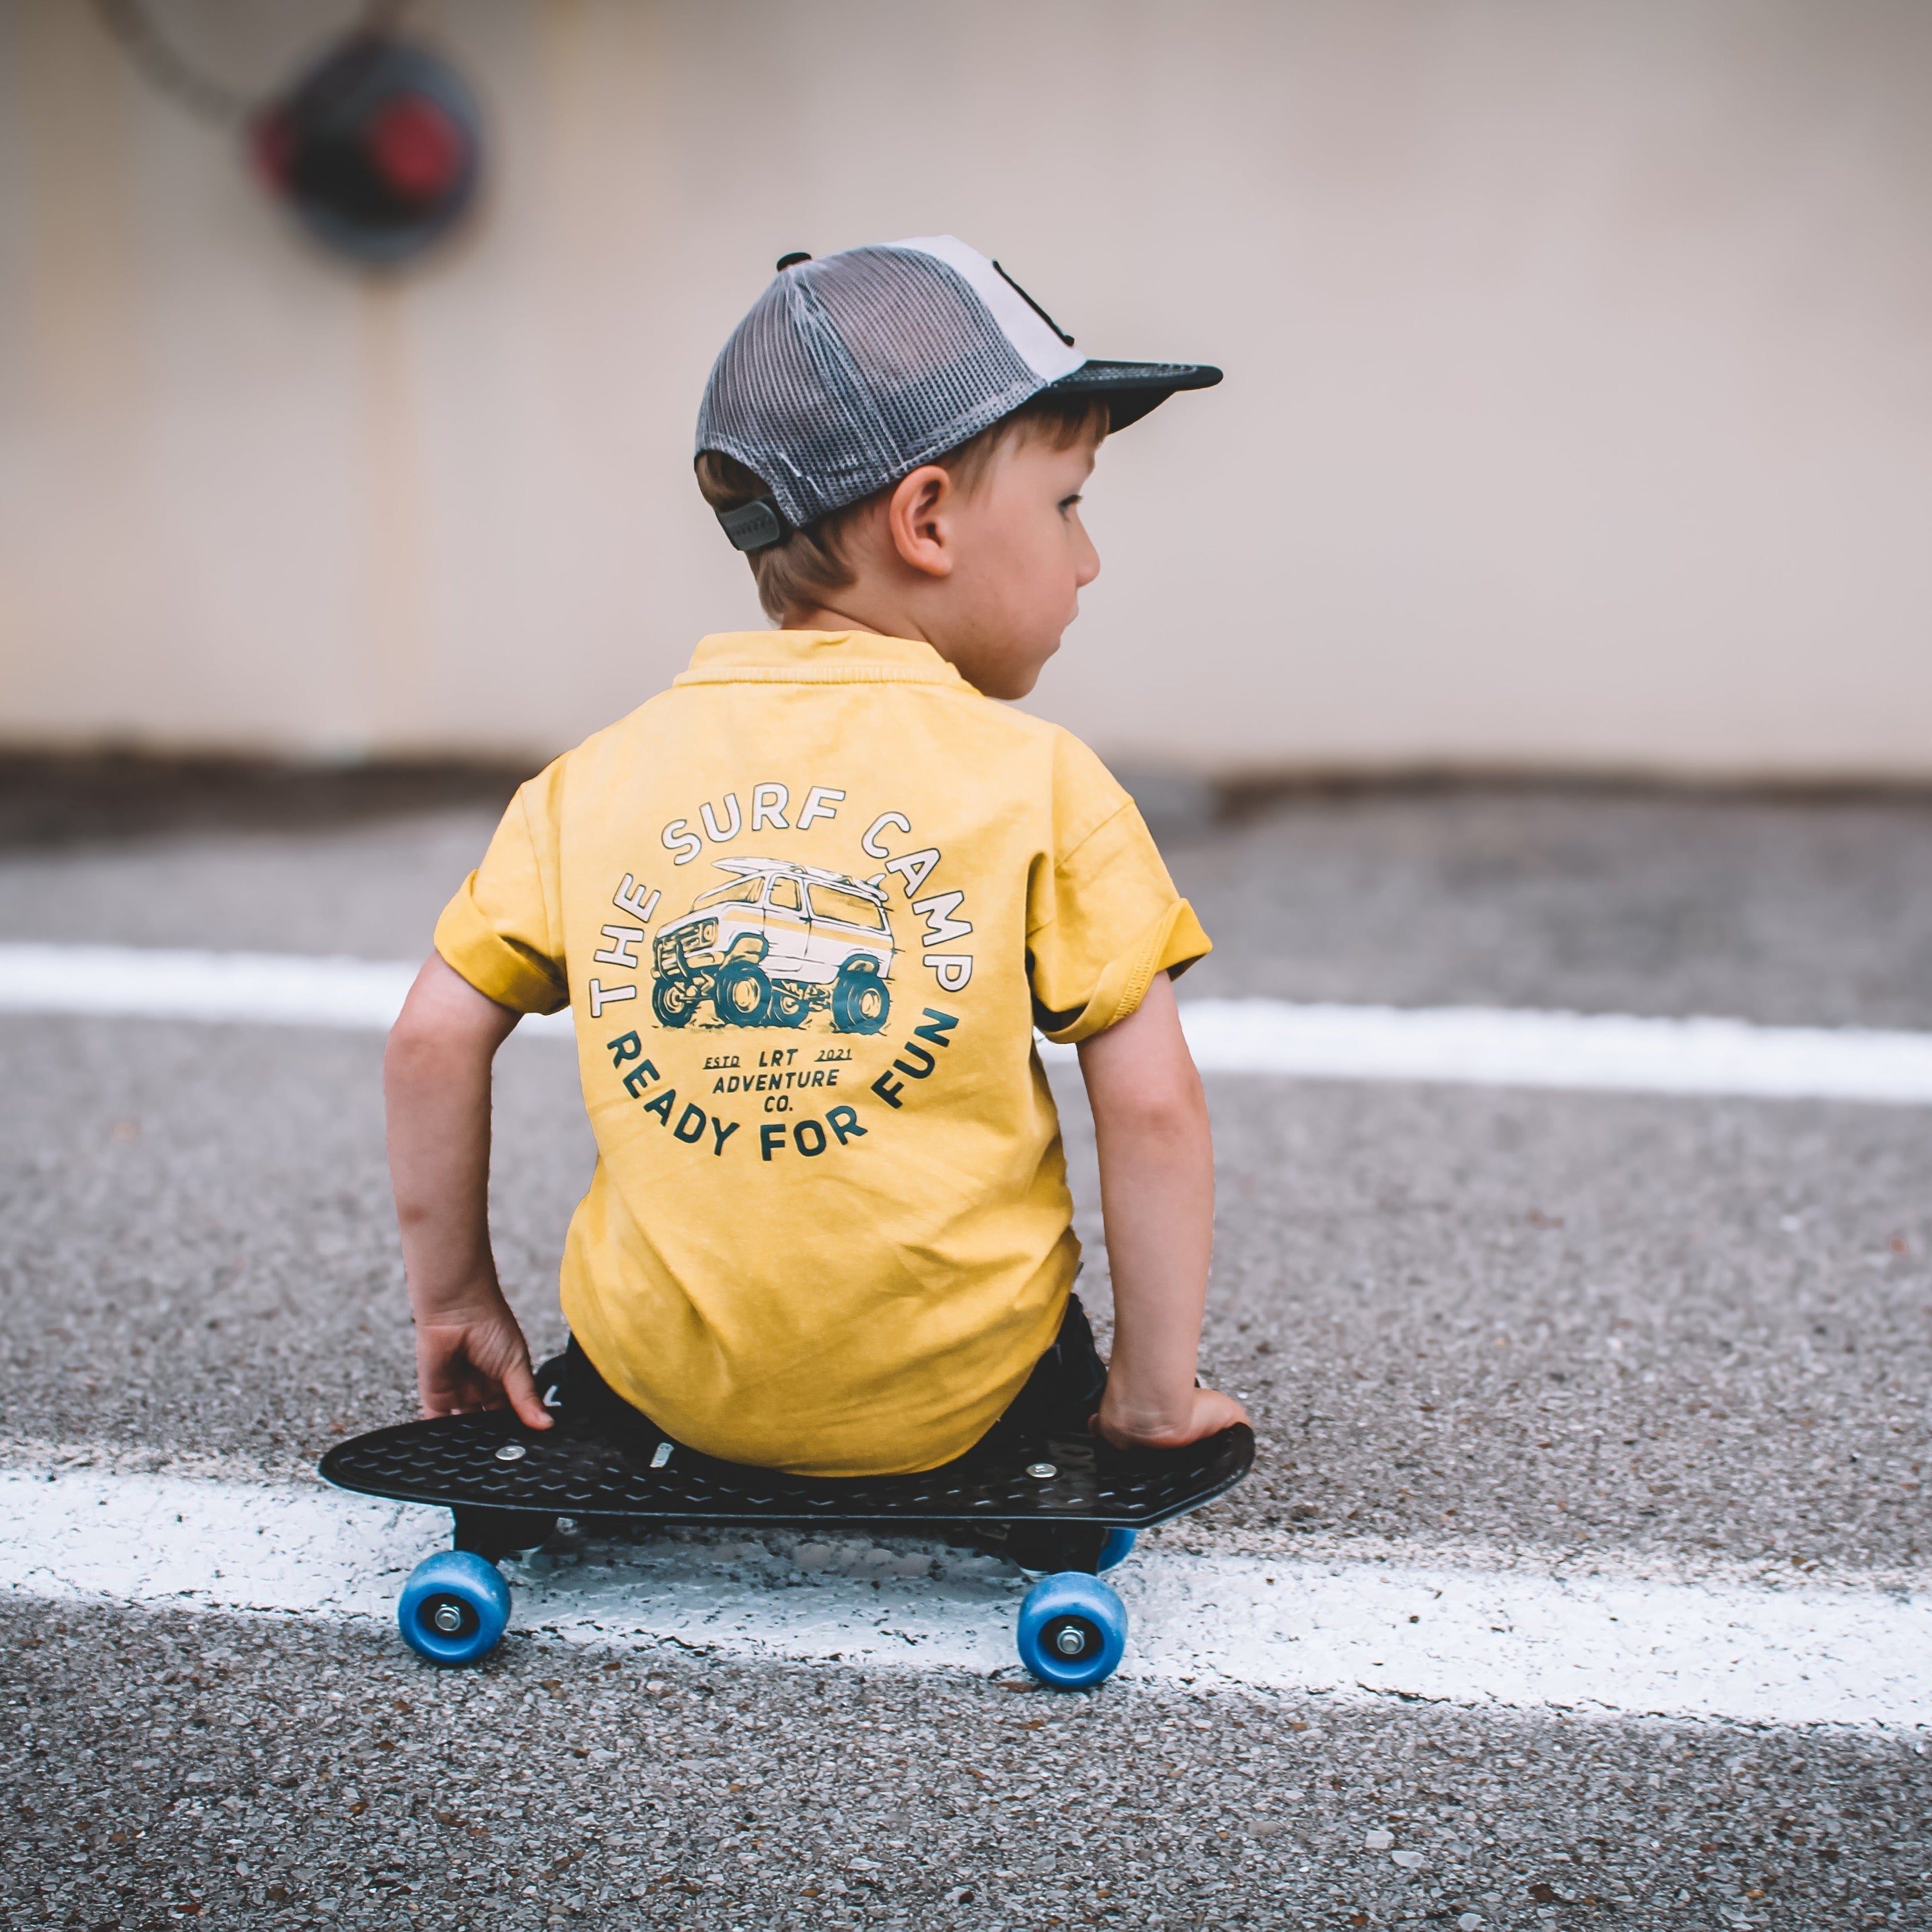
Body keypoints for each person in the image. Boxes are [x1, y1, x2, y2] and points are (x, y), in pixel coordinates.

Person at [384, 236, 1249, 1477]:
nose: (1087, 555)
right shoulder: (1039, 780)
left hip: (659, 1384)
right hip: (964, 1400)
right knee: (1034, 1332)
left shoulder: (594, 779)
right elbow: (1152, 1100)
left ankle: (635, 1394)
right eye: (1067, 503)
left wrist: (458, 1300)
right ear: (929, 520)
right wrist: (1152, 1400)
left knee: (631, 1317)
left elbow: (429, 1038)